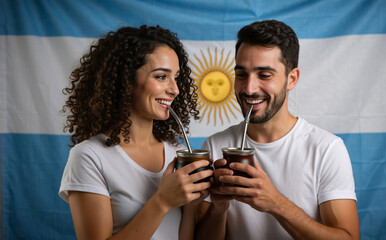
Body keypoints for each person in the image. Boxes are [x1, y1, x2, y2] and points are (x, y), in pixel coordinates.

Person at [196, 20, 360, 240]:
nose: (249, 88)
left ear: (291, 79)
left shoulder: (327, 149)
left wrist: (275, 203)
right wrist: (219, 209)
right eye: (242, 75)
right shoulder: (215, 146)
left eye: (264, 75)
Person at [59, 25, 212, 240]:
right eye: (161, 77)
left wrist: (190, 207)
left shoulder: (176, 154)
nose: (175, 89)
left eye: (176, 77)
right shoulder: (89, 156)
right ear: (126, 81)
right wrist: (162, 202)